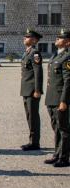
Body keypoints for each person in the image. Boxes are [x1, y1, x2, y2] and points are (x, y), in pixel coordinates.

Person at [44, 29, 70, 167]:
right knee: (56, 127)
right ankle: (57, 153)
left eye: (60, 37)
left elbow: (68, 81)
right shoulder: (55, 56)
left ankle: (64, 157)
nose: (57, 39)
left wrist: (64, 100)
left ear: (67, 42)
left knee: (63, 128)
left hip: (60, 99)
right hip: (52, 98)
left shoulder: (67, 57)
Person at [20, 29, 44, 151]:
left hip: (32, 90)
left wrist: (37, 90)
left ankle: (35, 142)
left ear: (34, 40)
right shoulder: (27, 53)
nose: (25, 38)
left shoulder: (35, 53)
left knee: (33, 116)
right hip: (26, 89)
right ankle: (32, 140)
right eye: (25, 36)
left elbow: (38, 72)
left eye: (28, 36)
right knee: (29, 115)